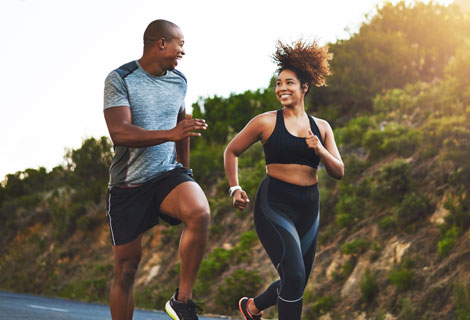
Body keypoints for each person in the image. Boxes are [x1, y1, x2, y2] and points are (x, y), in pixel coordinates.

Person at [223, 40, 344, 320]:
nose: (282, 89)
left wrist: (320, 150)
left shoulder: (322, 128)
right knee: (295, 274)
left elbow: (338, 171)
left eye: (289, 83)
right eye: (278, 83)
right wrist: (235, 187)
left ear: (304, 87)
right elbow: (232, 150)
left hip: (308, 208)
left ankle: (252, 307)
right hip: (275, 204)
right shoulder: (265, 122)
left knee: (296, 281)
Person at [103, 19, 210, 320]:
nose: (183, 51)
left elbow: (182, 128)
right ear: (161, 43)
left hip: (166, 174)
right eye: (181, 43)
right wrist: (170, 134)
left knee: (199, 211)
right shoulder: (120, 78)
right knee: (126, 269)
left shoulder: (179, 81)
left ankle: (182, 301)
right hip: (128, 185)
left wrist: (185, 173)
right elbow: (120, 132)